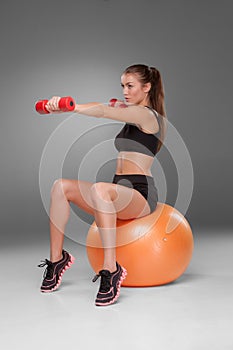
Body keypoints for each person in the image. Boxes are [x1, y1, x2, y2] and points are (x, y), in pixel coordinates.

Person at [38, 64, 167, 306]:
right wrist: (117, 107)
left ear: (147, 87)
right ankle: (56, 260)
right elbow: (116, 109)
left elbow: (105, 112)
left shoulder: (148, 115)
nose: (125, 91)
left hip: (140, 194)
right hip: (116, 193)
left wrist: (71, 107)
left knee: (99, 188)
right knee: (60, 187)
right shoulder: (131, 114)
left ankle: (111, 269)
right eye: (123, 86)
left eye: (130, 86)